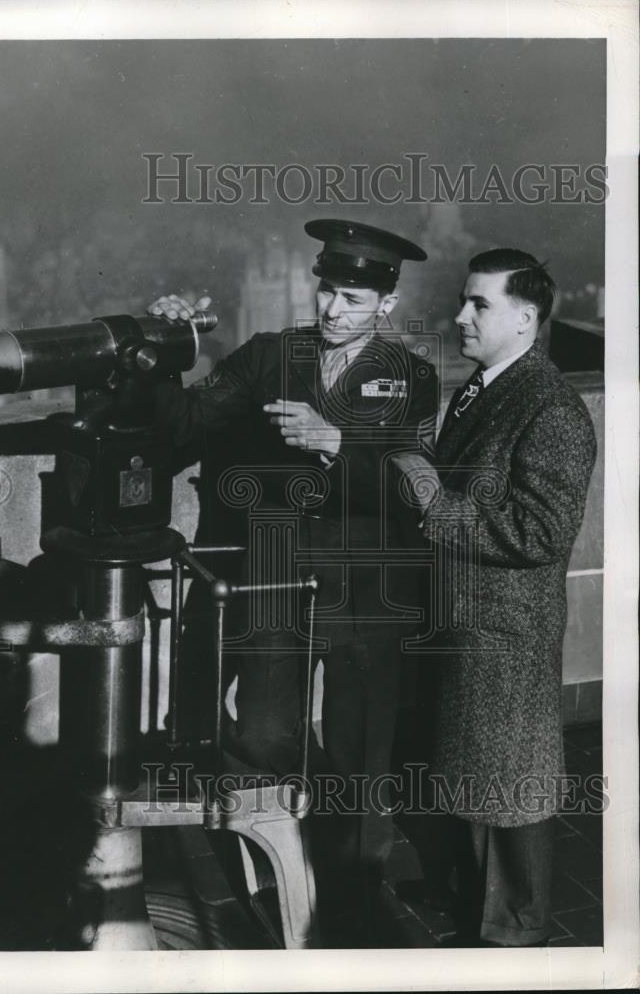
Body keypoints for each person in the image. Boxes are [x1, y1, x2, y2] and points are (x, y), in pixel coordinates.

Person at [149, 220, 438, 942]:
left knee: (359, 759)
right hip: (271, 590)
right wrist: (161, 353)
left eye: (353, 297)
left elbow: (414, 492)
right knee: (266, 743)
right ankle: (275, 893)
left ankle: (358, 905)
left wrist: (338, 443)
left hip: (368, 602)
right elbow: (184, 424)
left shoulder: (413, 378)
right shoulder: (267, 357)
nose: (333, 309)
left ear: (386, 307)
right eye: (328, 290)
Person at [393, 248, 597, 947]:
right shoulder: (485, 387)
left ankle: (516, 933)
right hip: (473, 619)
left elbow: (541, 532)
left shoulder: (553, 409)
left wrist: (431, 500)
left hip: (507, 628)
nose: (461, 316)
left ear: (527, 318)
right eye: (463, 300)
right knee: (481, 775)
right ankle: (480, 909)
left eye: (479, 304)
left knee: (512, 786)